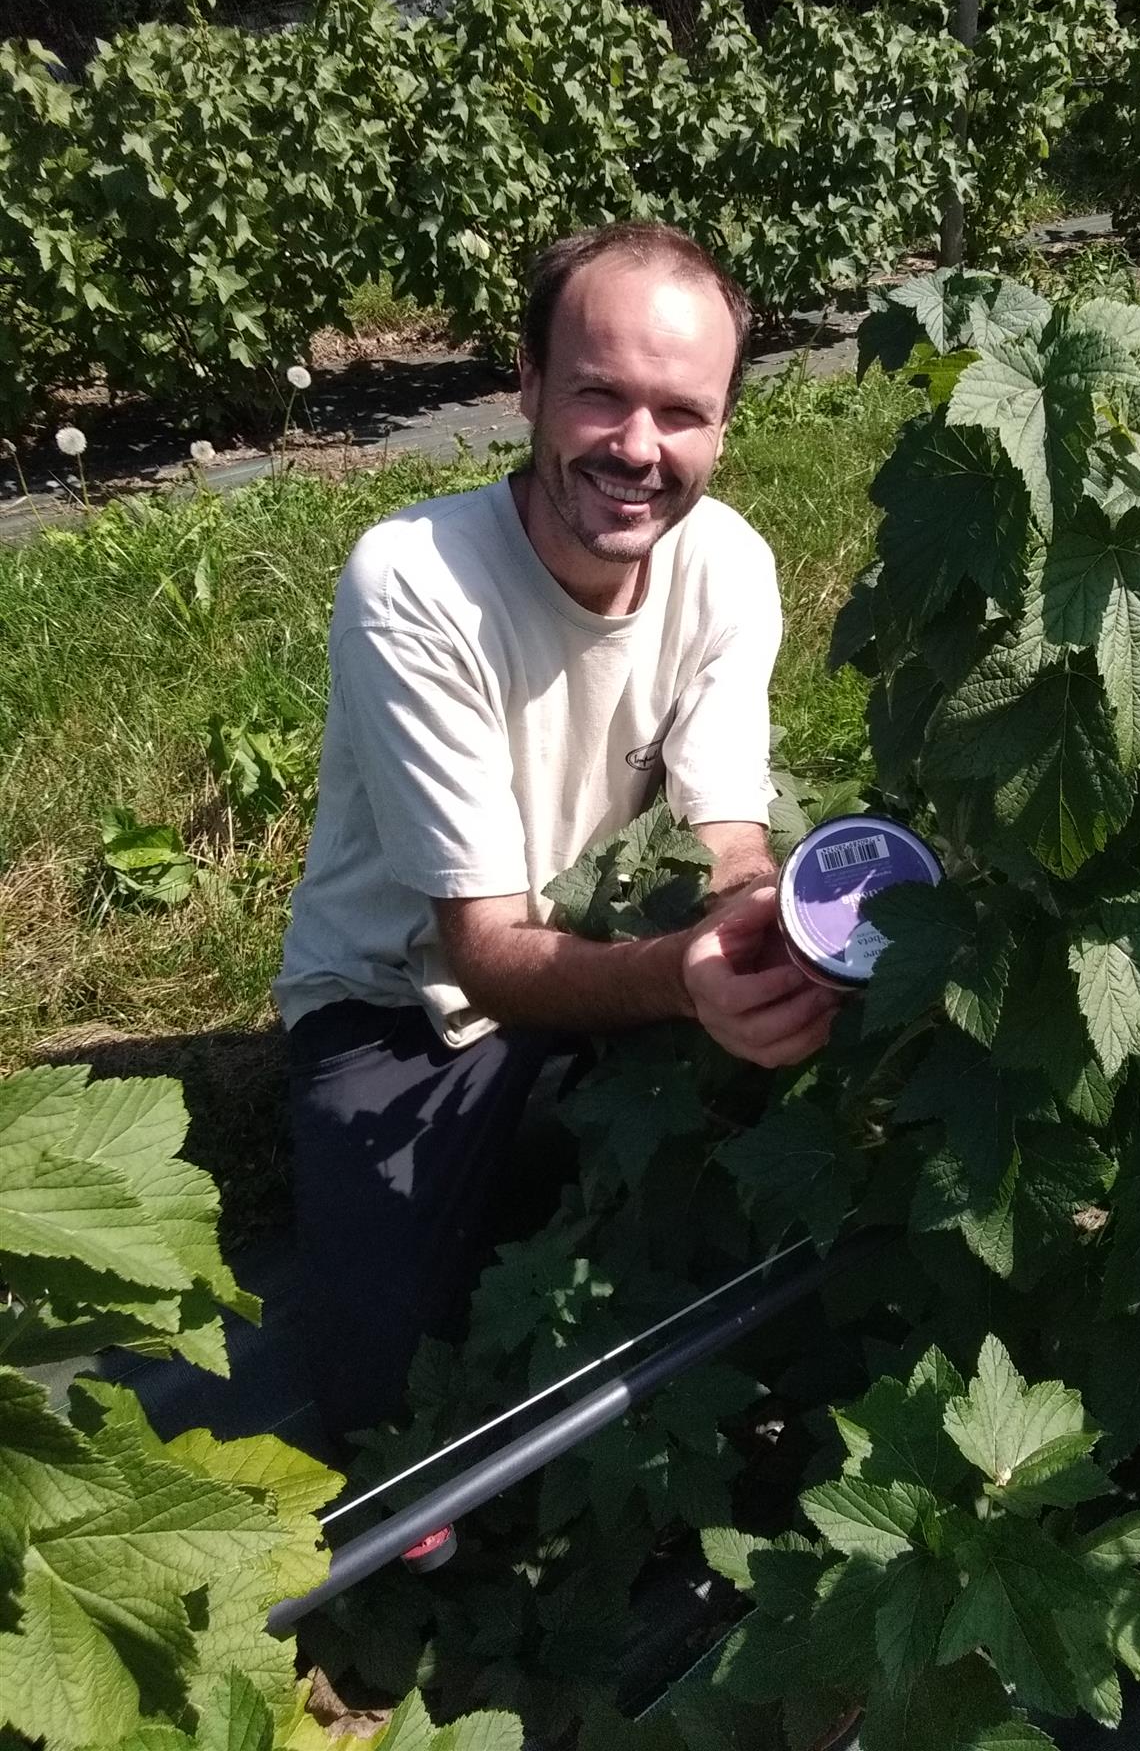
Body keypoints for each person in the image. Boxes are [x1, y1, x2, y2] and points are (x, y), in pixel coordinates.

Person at [274, 221, 839, 1439]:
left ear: (725, 425)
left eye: (682, 412)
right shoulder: (416, 583)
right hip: (399, 1008)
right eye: (599, 396)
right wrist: (689, 990)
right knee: (394, 1423)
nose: (640, 449)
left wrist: (752, 918)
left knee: (757, 1247)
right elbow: (480, 955)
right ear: (526, 383)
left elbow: (726, 817)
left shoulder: (727, 563)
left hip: (608, 932)